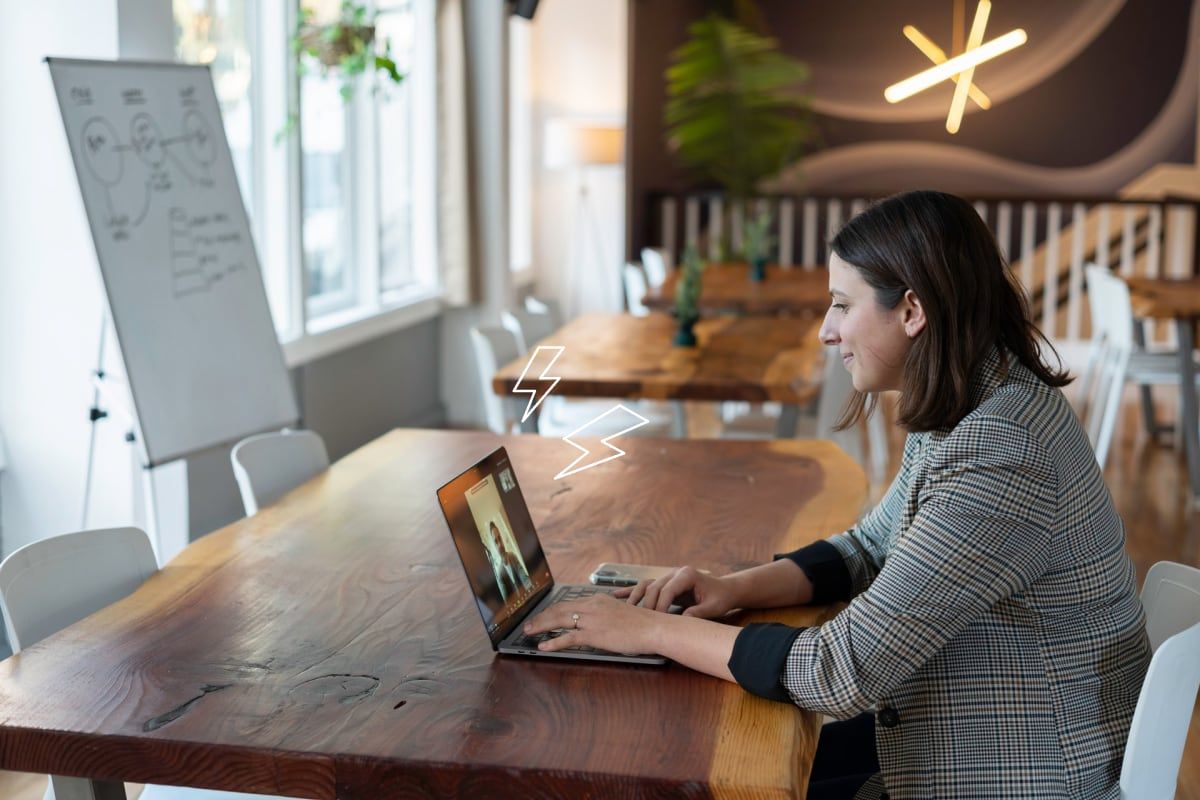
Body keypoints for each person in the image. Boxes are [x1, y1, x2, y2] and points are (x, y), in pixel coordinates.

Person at [523, 190, 1151, 800]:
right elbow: (869, 548)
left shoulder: (1005, 449)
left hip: (1021, 774)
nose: (826, 331)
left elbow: (840, 671)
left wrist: (647, 633)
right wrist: (732, 587)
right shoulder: (978, 402)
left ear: (911, 311)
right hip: (970, 738)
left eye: (842, 305)